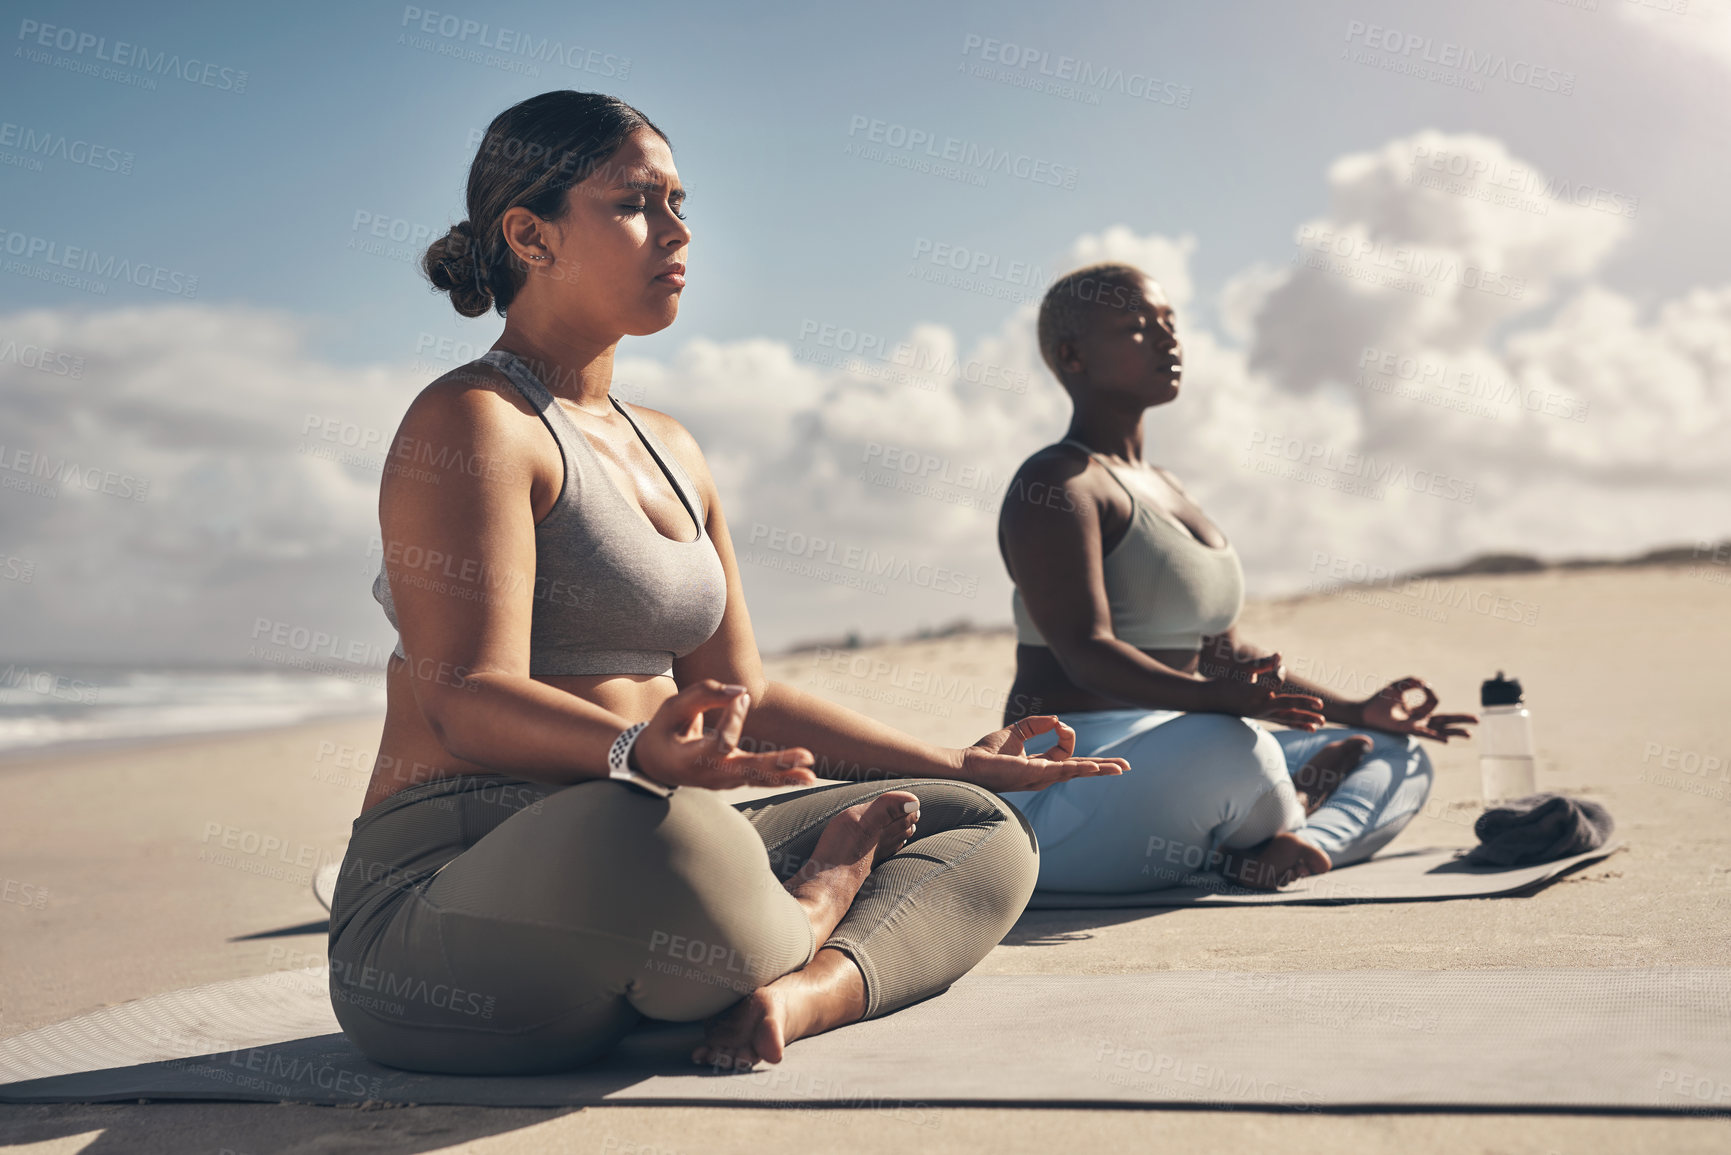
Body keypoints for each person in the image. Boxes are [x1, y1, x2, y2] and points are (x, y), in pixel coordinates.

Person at [327, 91, 1128, 1077]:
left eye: (679, 201)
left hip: (672, 841)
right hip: (465, 886)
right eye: (635, 203)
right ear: (529, 235)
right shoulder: (473, 421)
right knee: (650, 841)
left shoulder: (674, 449)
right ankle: (813, 910)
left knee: (984, 831)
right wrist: (635, 750)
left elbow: (744, 701)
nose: (678, 230)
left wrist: (958, 760)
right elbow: (462, 701)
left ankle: (801, 992)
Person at [995, 262, 1477, 894]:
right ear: (1072, 355)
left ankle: (1292, 844)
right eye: (1137, 327)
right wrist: (1215, 701)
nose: (1168, 340)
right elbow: (1086, 654)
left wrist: (1356, 709)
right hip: (1078, 775)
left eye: (1170, 323)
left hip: (1184, 746)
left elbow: (1225, 654)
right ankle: (1274, 811)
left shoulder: (1168, 488)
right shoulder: (1055, 486)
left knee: (1394, 751)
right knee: (1229, 746)